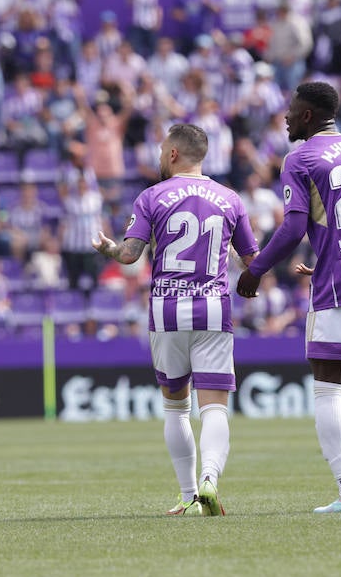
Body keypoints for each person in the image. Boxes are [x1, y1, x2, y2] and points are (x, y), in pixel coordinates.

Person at [237, 82, 341, 514]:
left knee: (326, 388)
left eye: (291, 110)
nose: (286, 117)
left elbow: (292, 228)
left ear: (308, 115)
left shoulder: (300, 157)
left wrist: (256, 269)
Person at [92, 123, 259, 516]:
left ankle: (187, 495)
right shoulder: (229, 198)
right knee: (214, 406)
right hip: (214, 309)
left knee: (176, 406)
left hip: (167, 308)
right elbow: (253, 260)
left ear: (172, 154)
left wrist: (108, 249)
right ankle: (210, 480)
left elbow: (131, 255)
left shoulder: (152, 196)